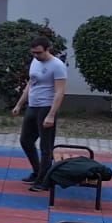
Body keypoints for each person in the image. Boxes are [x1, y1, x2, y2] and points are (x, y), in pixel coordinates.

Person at [11, 35, 67, 191]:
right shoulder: (35, 61)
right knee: (25, 141)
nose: (36, 55)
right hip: (33, 106)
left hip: (46, 107)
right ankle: (37, 172)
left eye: (39, 52)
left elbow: (60, 92)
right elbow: (31, 83)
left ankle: (44, 181)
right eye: (33, 52)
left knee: (45, 146)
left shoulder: (57, 65)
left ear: (48, 49)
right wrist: (19, 104)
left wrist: (51, 115)